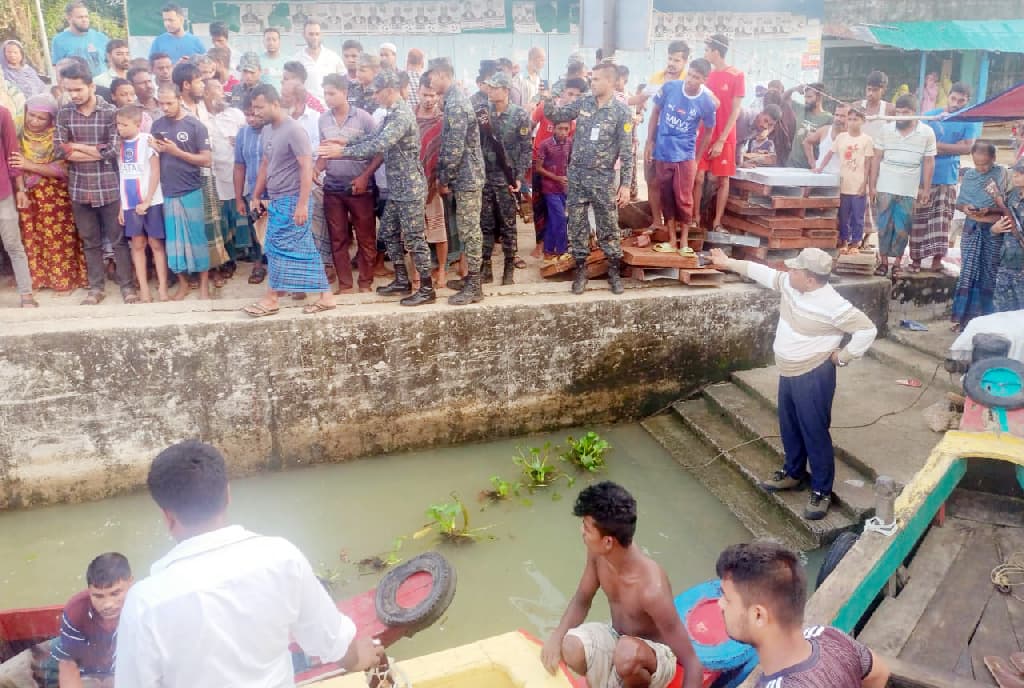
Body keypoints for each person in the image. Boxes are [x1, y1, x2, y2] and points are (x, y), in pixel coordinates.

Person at [114, 440, 382, 688]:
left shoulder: (145, 603)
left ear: (168, 517)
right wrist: (357, 660)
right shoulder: (281, 557)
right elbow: (331, 639)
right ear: (228, 494)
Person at [710, 246, 877, 519]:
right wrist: (727, 262)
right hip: (788, 370)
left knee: (814, 431)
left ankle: (821, 491)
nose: (788, 272)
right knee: (789, 425)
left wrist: (844, 357)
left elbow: (867, 329)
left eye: (795, 269)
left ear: (810, 278)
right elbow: (763, 273)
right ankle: (793, 472)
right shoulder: (791, 285)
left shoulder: (833, 304)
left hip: (814, 373)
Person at [540, 481, 703, 688]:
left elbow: (692, 662)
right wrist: (556, 637)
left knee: (627, 653)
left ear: (608, 541)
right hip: (617, 636)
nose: (582, 531)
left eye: (587, 528)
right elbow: (582, 600)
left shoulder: (651, 588)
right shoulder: (599, 554)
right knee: (570, 645)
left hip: (655, 657)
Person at [320, 71, 434, 306]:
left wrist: (342, 152)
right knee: (388, 233)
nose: (373, 96)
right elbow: (373, 136)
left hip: (410, 188)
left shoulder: (401, 115)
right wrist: (347, 142)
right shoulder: (392, 113)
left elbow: (379, 144)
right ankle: (402, 279)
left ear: (389, 90)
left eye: (376, 92)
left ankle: (426, 287)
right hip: (398, 188)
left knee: (414, 239)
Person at [715, 542, 890, 688]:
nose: (719, 604)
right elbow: (879, 673)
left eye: (727, 599)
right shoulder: (830, 636)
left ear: (758, 616)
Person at [544, 62, 634, 295]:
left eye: (596, 80)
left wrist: (625, 184)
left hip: (603, 178)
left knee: (608, 225)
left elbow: (626, 152)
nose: (591, 83)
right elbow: (556, 114)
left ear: (611, 82)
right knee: (577, 225)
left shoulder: (622, 112)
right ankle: (581, 271)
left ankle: (614, 271)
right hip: (577, 176)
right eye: (591, 79)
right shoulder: (584, 102)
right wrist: (551, 94)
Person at [246, 84, 335, 315]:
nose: (256, 112)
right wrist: (256, 194)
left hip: (293, 199)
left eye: (259, 107)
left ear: (275, 103)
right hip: (276, 199)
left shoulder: (294, 130)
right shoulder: (267, 130)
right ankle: (325, 296)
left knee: (276, 247)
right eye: (253, 108)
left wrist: (302, 204)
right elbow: (266, 164)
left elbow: (306, 166)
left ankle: (272, 298)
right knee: (294, 248)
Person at [55, 62, 137, 305]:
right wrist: (92, 150)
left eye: (78, 89)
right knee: (90, 242)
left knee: (119, 240)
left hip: (109, 187)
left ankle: (127, 287)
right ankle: (96, 289)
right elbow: (60, 150)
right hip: (80, 188)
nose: (74, 95)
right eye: (70, 90)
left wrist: (76, 147)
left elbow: (113, 150)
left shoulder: (111, 112)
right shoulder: (64, 113)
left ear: (91, 86)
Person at [12, 93, 87, 298]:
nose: (34, 122)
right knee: (31, 235)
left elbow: (63, 169)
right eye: (32, 115)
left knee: (58, 236)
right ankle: (39, 278)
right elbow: (14, 165)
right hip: (28, 194)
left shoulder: (58, 136)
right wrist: (21, 188)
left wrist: (30, 165)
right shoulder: (19, 133)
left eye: (41, 118)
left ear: (51, 119)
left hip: (55, 195)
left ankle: (64, 281)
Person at [428, 57, 487, 305]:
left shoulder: (456, 104)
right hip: (463, 176)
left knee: (470, 231)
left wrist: (444, 178)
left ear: (442, 74)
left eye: (431, 76)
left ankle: (474, 284)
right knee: (466, 229)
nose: (430, 81)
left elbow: (454, 147)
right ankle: (470, 279)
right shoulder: (453, 100)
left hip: (467, 177)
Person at [647, 58, 717, 250]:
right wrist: (649, 141)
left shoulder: (706, 103)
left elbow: (709, 131)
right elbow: (655, 112)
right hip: (663, 152)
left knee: (684, 197)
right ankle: (671, 239)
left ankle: (684, 241)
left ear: (704, 80)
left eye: (697, 77)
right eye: (690, 74)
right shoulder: (670, 88)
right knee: (666, 195)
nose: (691, 80)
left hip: (685, 155)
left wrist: (696, 157)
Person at [151, 83, 213, 300]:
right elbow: (155, 160)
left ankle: (204, 285)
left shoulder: (195, 126)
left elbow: (206, 160)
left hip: (191, 189)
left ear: (179, 99)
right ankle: (183, 284)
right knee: (175, 244)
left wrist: (176, 152)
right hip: (168, 192)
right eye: (161, 103)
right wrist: (158, 150)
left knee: (198, 240)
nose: (165, 107)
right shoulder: (157, 125)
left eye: (169, 103)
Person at [317, 74, 376, 294]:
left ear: (345, 93)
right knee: (338, 237)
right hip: (332, 186)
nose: (327, 98)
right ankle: (345, 284)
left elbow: (377, 151)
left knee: (365, 236)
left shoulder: (364, 118)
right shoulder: (323, 120)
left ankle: (365, 282)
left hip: (359, 187)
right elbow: (324, 153)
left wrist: (365, 177)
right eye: (325, 93)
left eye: (332, 93)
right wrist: (315, 169)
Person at [912, 83, 980, 272]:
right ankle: (916, 260)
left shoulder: (969, 120)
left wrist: (935, 146)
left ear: (967, 101)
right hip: (924, 177)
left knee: (942, 221)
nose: (956, 103)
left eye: (961, 101)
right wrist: (948, 147)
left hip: (948, 178)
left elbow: (967, 148)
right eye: (954, 99)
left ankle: (936, 261)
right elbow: (920, 143)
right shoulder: (931, 116)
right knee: (919, 219)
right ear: (948, 96)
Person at [869, 94, 936, 278]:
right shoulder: (886, 129)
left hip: (909, 188)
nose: (899, 116)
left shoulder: (927, 132)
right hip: (885, 185)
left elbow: (929, 162)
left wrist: (926, 189)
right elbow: (876, 158)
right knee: (883, 226)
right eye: (897, 112)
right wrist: (872, 185)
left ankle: (897, 264)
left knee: (902, 227)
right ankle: (883, 262)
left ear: (914, 113)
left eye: (904, 112)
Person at [479, 72, 531, 286]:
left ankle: (509, 268)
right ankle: (486, 267)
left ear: (506, 90)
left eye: (494, 87)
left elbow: (526, 149)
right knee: (486, 224)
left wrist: (519, 177)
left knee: (509, 225)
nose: (490, 91)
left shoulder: (519, 115)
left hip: (507, 179)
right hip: (486, 178)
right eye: (489, 87)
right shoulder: (483, 114)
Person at [52, 553, 133, 688]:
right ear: (89, 590)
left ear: (131, 582)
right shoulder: (75, 611)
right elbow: (69, 666)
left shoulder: (146, 607)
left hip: (123, 668)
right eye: (98, 596)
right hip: (87, 668)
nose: (108, 604)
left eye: (115, 593)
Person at [950, 142, 1007, 330]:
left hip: (993, 229)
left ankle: (985, 318)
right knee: (968, 272)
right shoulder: (970, 175)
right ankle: (963, 318)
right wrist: (965, 208)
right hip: (971, 227)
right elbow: (960, 203)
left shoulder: (1001, 174)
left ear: (993, 159)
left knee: (989, 272)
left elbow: (1007, 207)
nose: (981, 168)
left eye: (985, 164)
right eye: (977, 163)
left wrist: (988, 209)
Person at [115, 103, 168, 303]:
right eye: (118, 124)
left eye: (124, 124)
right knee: (137, 244)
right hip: (130, 203)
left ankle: (162, 288)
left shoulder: (147, 141)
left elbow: (155, 172)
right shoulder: (118, 145)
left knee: (155, 243)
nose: (120, 128)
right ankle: (144, 289)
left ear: (137, 124)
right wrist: (122, 206)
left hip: (151, 202)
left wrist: (147, 200)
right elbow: (121, 177)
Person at [695, 34, 744, 234]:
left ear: (716, 51)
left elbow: (736, 110)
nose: (705, 53)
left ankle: (717, 222)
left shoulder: (736, 75)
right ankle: (695, 219)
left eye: (707, 49)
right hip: (704, 132)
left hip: (725, 135)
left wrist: (722, 140)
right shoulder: (706, 75)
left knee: (722, 179)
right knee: (698, 177)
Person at [204, 78, 246, 275]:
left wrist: (239, 141)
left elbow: (248, 135)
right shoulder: (201, 118)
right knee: (221, 221)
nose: (223, 93)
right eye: (217, 89)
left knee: (245, 217)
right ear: (206, 94)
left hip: (238, 175)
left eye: (222, 88)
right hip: (214, 177)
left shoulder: (235, 114)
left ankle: (253, 257)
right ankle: (227, 260)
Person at [817, 107, 873, 254]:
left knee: (858, 217)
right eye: (850, 119)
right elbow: (830, 153)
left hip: (858, 186)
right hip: (843, 185)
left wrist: (865, 184)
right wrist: (819, 168)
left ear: (863, 121)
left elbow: (868, 163)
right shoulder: (841, 137)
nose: (852, 122)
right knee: (843, 216)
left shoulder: (867, 140)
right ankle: (844, 242)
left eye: (856, 119)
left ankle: (855, 244)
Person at [416, 74, 449, 288]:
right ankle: (418, 275)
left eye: (433, 95)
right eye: (425, 94)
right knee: (415, 231)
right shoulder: (409, 117)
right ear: (418, 92)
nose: (429, 99)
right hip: (414, 183)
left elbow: (445, 152)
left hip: (435, 183)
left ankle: (443, 271)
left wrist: (441, 179)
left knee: (439, 230)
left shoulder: (442, 120)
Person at [233, 95, 266, 281]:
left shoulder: (272, 130)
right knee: (255, 229)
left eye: (254, 114)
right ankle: (258, 265)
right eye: (247, 115)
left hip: (275, 192)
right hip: (253, 192)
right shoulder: (243, 133)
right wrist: (238, 198)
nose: (251, 119)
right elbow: (239, 166)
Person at [988, 159, 1024, 313]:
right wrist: (995, 229)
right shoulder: (1013, 195)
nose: (1015, 176)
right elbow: (1003, 224)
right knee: (1001, 309)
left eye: (1020, 173)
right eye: (1015, 173)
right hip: (1007, 262)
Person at [537, 120, 572, 257]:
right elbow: (538, 168)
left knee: (554, 219)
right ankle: (562, 252)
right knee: (561, 219)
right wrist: (556, 178)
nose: (563, 132)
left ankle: (548, 250)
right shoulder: (545, 145)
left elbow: (569, 162)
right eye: (560, 129)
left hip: (563, 188)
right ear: (553, 129)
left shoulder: (569, 143)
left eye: (566, 129)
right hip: (549, 188)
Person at [51, 1, 109, 77]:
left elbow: (110, 62)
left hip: (102, 86)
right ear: (69, 18)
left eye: (86, 17)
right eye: (80, 17)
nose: (84, 20)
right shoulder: (59, 40)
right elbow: (57, 68)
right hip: (77, 86)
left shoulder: (101, 37)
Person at [784, 82, 833, 169]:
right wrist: (794, 89)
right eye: (805, 97)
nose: (806, 100)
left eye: (809, 97)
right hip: (793, 163)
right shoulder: (801, 109)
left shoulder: (828, 118)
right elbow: (783, 98)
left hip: (811, 166)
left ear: (819, 97)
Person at [294, 20, 343, 102]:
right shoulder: (296, 59)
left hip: (330, 107)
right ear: (304, 35)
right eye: (311, 34)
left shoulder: (333, 57)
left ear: (321, 35)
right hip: (307, 109)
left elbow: (343, 81)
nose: (314, 38)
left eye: (317, 34)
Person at [807, 102, 848, 177]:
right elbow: (807, 142)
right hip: (819, 176)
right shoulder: (824, 130)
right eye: (836, 115)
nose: (838, 118)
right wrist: (812, 163)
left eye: (842, 116)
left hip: (841, 180)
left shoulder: (853, 136)